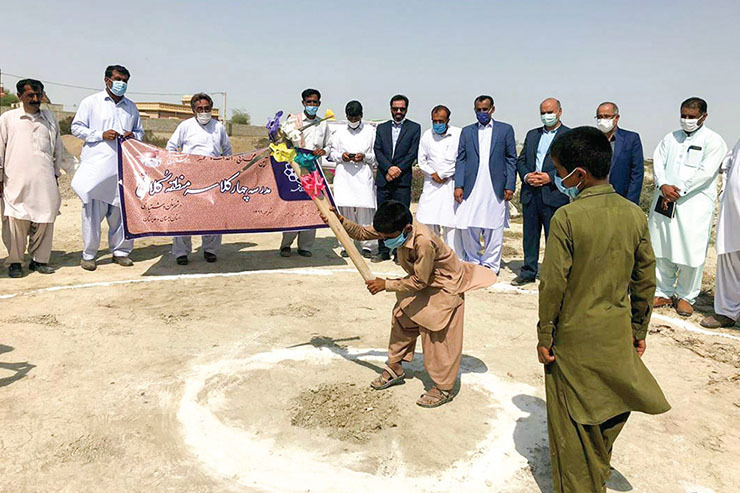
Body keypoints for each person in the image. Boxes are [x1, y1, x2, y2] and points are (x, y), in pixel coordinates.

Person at [537, 126, 670, 493]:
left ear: (578, 174)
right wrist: (638, 331)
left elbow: (553, 286)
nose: (559, 178)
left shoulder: (567, 218)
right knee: (605, 415)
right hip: (615, 338)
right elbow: (645, 281)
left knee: (572, 431)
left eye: (560, 170)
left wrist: (545, 335)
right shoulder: (634, 215)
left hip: (573, 343)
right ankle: (596, 471)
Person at [324, 200, 496, 407]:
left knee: (437, 332)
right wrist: (340, 220)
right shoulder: (394, 226)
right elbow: (362, 233)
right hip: (424, 280)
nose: (384, 241)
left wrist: (385, 284)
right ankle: (396, 367)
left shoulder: (423, 241)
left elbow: (420, 281)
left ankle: (444, 387)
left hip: (444, 285)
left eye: (388, 238)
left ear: (406, 229)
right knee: (401, 316)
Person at [649, 97, 728, 317]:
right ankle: (663, 291)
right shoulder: (670, 138)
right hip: (664, 200)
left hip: (693, 204)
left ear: (704, 116)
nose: (686, 120)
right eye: (683, 115)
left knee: (691, 251)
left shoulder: (714, 141)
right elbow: (658, 161)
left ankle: (686, 296)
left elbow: (705, 172)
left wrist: (679, 190)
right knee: (662, 246)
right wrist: (663, 184)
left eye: (692, 117)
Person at [71, 64, 143, 271]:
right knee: (92, 214)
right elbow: (76, 127)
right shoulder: (91, 102)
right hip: (97, 169)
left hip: (122, 170)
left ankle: (121, 252)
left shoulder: (131, 107)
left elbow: (140, 131)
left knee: (121, 214)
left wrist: (134, 136)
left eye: (125, 81)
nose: (122, 84)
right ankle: (89, 254)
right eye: (118, 79)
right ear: (107, 80)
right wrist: (100, 134)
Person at [0, 79, 65, 278]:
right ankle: (15, 262)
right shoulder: (8, 118)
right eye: (30, 95)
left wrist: (56, 173)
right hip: (16, 181)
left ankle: (39, 261)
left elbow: (58, 149)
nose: (36, 99)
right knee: (16, 221)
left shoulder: (49, 118)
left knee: (45, 219)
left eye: (38, 94)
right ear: (20, 97)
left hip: (45, 180)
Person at [165, 92, 232, 265]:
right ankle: (181, 252)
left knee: (212, 215)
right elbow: (171, 147)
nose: (204, 112)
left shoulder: (219, 127)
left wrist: (224, 168)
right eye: (200, 109)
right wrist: (180, 165)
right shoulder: (185, 126)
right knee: (184, 216)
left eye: (207, 108)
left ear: (211, 109)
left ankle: (210, 250)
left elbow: (227, 150)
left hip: (212, 177)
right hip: (189, 178)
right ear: (194, 110)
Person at [454, 95, 516, 273]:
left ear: (492, 109)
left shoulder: (505, 130)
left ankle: (490, 265)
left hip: (495, 187)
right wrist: (458, 185)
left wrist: (509, 185)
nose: (482, 113)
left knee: (493, 227)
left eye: (485, 109)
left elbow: (511, 159)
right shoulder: (467, 131)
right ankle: (473, 261)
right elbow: (461, 159)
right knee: (470, 225)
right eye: (478, 110)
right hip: (471, 186)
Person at [512, 98, 570, 286]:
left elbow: (571, 164)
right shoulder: (532, 134)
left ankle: (553, 274)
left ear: (560, 112)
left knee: (554, 237)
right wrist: (527, 176)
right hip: (531, 193)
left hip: (554, 193)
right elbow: (521, 160)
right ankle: (528, 271)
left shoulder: (569, 136)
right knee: (530, 235)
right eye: (543, 113)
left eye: (550, 112)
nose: (547, 116)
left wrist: (550, 177)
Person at [279, 88, 330, 258]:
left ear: (319, 104)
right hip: (296, 169)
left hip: (315, 169)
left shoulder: (323, 123)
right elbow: (284, 141)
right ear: (303, 103)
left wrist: (322, 151)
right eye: (309, 102)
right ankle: (286, 245)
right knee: (294, 206)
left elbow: (328, 145)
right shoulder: (293, 120)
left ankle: (305, 246)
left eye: (315, 102)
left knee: (313, 207)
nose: (312, 105)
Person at [373, 94, 421, 262]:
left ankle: (401, 252)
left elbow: (412, 153)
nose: (398, 111)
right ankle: (383, 250)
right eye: (395, 108)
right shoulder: (381, 128)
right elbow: (377, 150)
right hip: (384, 178)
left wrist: (397, 169)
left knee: (402, 216)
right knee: (382, 215)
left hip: (402, 180)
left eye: (401, 108)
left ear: (406, 109)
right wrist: (388, 168)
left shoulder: (414, 128)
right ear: (390, 109)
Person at [327, 100, 377, 258]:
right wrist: (341, 156)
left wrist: (365, 156)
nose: (353, 121)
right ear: (346, 116)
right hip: (344, 176)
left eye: (356, 118)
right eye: (350, 118)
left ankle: (368, 245)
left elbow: (377, 155)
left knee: (366, 211)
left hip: (363, 174)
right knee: (344, 211)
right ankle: (345, 244)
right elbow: (331, 153)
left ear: (361, 116)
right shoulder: (339, 132)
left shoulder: (370, 132)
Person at [701, 138, 740, 329]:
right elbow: (728, 164)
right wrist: (726, 192)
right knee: (729, 258)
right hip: (733, 211)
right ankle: (726, 312)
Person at [416, 104, 461, 251]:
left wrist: (442, 174)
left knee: (450, 223)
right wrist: (433, 174)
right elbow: (421, 161)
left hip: (450, 184)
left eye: (440, 121)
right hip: (431, 184)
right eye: (434, 121)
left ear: (448, 120)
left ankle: (454, 258)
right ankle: (432, 255)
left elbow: (461, 160)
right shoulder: (427, 135)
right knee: (426, 219)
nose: (437, 124)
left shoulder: (458, 134)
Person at [595, 101, 644, 204]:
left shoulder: (631, 139)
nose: (602, 120)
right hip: (596, 199)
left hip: (621, 198)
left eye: (607, 116)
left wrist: (630, 203)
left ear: (616, 118)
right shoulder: (592, 139)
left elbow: (637, 173)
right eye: (599, 117)